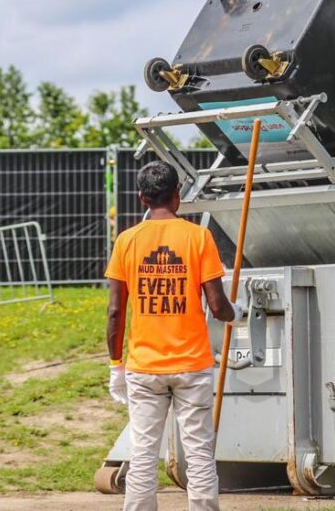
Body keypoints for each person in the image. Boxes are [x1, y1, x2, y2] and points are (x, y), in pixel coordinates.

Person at [105, 161, 234, 511]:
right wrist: (236, 314)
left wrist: (116, 365)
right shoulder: (198, 237)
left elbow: (116, 311)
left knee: (143, 453)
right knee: (199, 452)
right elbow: (219, 306)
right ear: (178, 196)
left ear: (141, 197)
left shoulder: (126, 241)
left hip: (144, 368)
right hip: (192, 366)